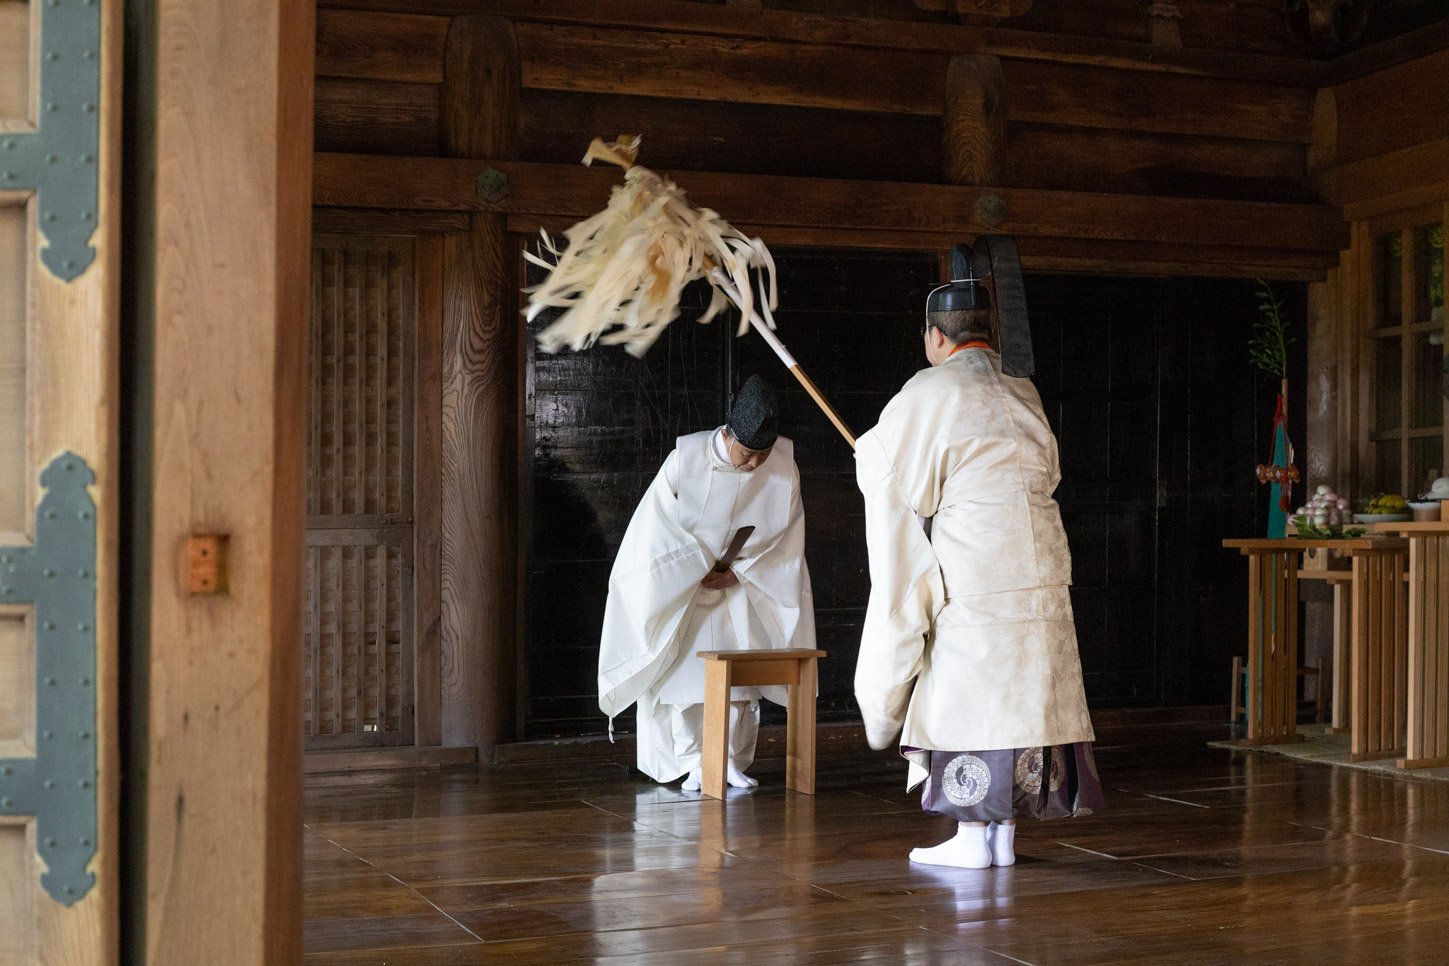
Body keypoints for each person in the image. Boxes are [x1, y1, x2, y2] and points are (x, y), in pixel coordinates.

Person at [853, 255, 1102, 869]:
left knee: (972, 693)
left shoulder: (928, 389)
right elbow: (1051, 470)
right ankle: (1003, 838)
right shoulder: (1023, 388)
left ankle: (972, 839)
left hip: (979, 568)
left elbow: (892, 478)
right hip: (1040, 563)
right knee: (1024, 695)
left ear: (936, 337)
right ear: (987, 334)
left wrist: (870, 455)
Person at [598, 375, 815, 791]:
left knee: (739, 666)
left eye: (763, 455)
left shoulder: (784, 466)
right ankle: (691, 759)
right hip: (685, 591)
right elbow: (655, 529)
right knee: (685, 672)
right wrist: (696, 568)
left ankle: (728, 757)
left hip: (742, 586)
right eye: (748, 454)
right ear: (729, 434)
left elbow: (787, 537)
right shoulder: (686, 459)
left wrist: (742, 570)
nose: (755, 465)